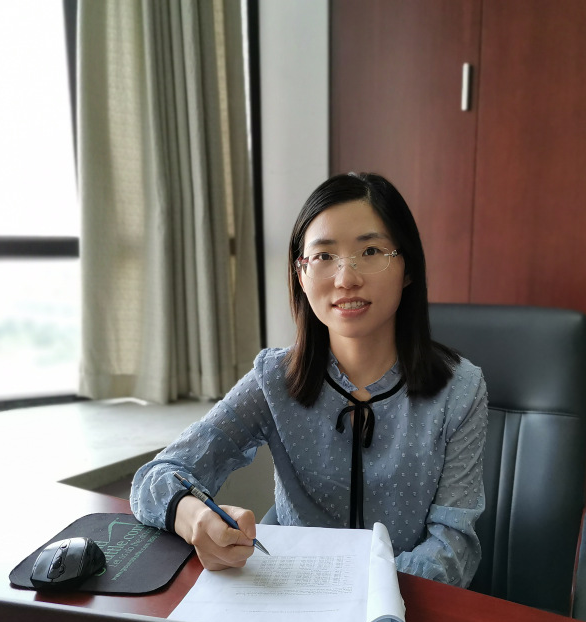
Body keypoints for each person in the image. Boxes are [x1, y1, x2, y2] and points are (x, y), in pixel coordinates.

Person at [130, 172, 488, 587]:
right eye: (323, 256)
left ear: (407, 268)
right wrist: (194, 517)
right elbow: (156, 477)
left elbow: (452, 550)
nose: (346, 278)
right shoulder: (274, 379)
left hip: (405, 600)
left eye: (370, 251)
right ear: (300, 274)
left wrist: (351, 586)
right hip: (291, 599)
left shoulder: (460, 389)